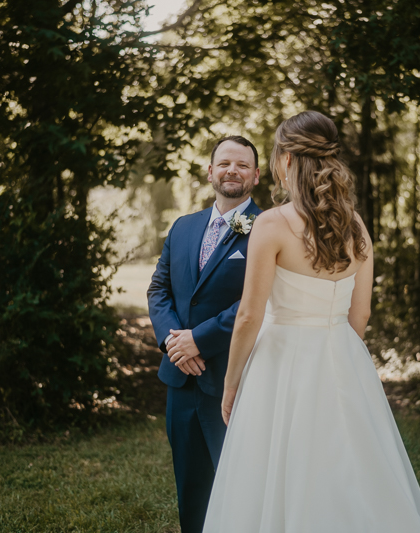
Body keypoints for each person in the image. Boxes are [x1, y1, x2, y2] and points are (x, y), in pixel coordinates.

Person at [202, 111, 420, 533]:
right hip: (343, 357)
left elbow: (249, 315)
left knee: (272, 470)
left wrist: (231, 383)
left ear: (286, 160)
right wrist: (340, 357)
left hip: (279, 364)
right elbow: (360, 314)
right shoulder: (357, 227)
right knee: (349, 471)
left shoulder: (271, 224)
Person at [147, 135, 263, 533]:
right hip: (180, 380)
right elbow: (158, 290)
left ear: (256, 176)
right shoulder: (182, 227)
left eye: (242, 165)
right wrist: (173, 343)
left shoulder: (268, 228)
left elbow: (259, 301)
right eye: (225, 163)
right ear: (210, 171)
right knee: (191, 490)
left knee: (241, 487)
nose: (233, 170)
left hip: (235, 381)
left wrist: (200, 339)